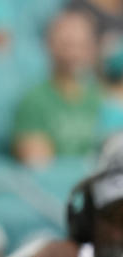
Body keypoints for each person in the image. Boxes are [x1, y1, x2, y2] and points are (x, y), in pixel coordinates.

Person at [12, 10, 102, 166]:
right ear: (49, 45)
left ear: (92, 49)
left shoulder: (101, 97)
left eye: (81, 45)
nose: (73, 53)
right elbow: (39, 166)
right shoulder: (34, 101)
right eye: (66, 44)